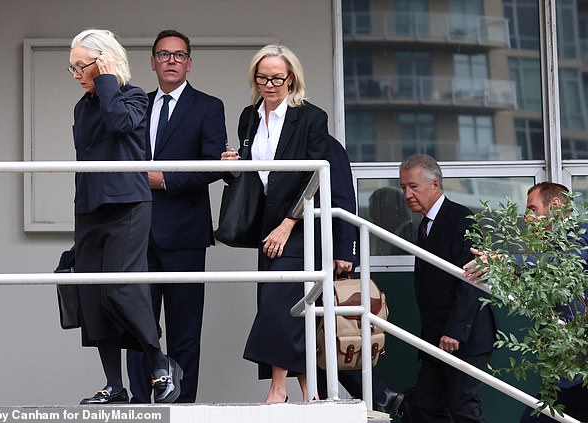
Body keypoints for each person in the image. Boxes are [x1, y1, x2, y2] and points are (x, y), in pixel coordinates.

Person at [68, 29, 182, 405]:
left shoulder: (131, 96)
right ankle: (115, 385)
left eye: (81, 66)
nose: (76, 75)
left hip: (127, 207)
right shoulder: (82, 107)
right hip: (89, 208)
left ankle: (161, 364)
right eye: (71, 69)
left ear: (104, 62)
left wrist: (105, 80)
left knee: (120, 288)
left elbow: (119, 124)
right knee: (94, 296)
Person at [221, 44, 329, 403]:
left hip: (299, 224)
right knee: (282, 306)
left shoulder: (311, 118)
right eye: (262, 77)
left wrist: (288, 223)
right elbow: (253, 175)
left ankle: (277, 389)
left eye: (277, 78)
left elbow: (312, 179)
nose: (269, 84)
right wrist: (232, 165)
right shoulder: (248, 116)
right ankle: (307, 391)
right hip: (267, 223)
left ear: (292, 78)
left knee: (277, 304)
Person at [126, 29, 227, 404]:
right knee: (138, 326)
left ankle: (182, 407)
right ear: (152, 62)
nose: (171, 60)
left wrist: (165, 180)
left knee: (185, 331)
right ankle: (139, 402)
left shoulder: (207, 106)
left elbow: (214, 165)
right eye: (164, 54)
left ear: (189, 62)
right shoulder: (137, 105)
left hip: (185, 234)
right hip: (137, 233)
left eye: (179, 55)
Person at [463, 182, 588, 422]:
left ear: (555, 206)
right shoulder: (553, 247)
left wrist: (503, 260)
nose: (527, 218)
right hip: (572, 367)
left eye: (533, 209)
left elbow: (561, 265)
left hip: (587, 364)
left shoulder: (583, 233)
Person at [399, 153, 497, 422]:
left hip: (465, 334)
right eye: (403, 187)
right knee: (425, 405)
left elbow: (473, 278)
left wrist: (454, 331)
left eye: (413, 187)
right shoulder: (424, 226)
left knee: (463, 407)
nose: (407, 194)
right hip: (436, 337)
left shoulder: (461, 219)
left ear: (435, 184)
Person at [315, 135, 404, 416]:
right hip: (292, 252)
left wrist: (345, 251)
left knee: (330, 335)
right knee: (310, 336)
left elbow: (343, 199)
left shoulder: (323, 143)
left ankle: (380, 395)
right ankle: (379, 396)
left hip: (325, 254)